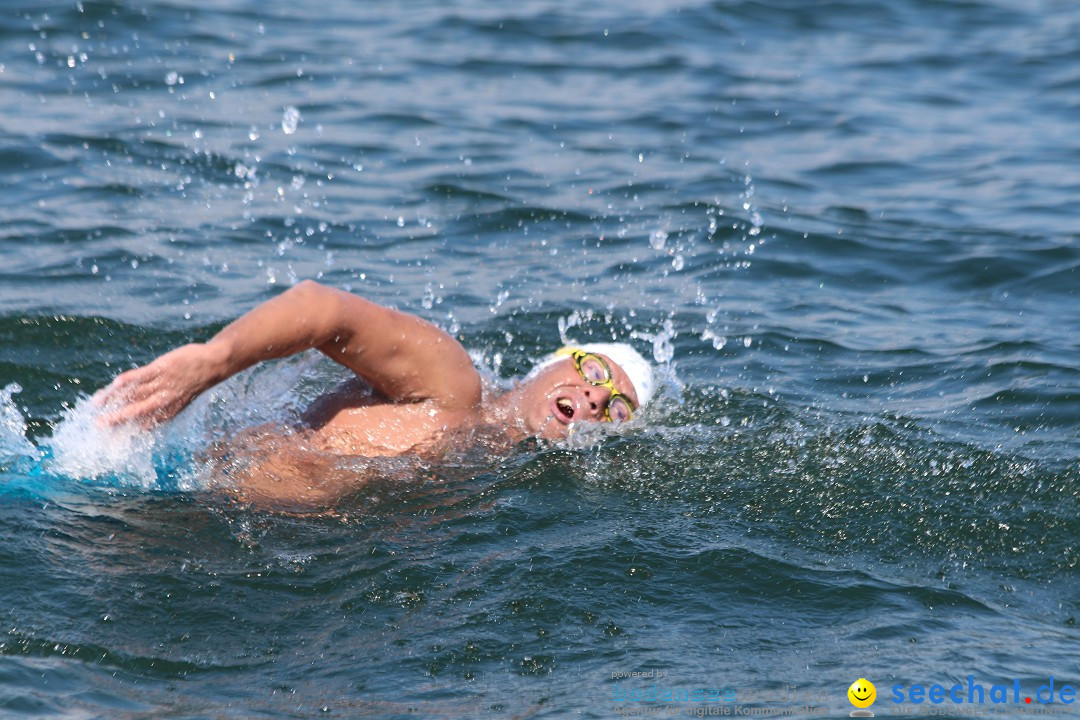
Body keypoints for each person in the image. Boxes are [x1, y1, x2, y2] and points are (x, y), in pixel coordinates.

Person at [93, 280, 655, 507]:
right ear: (552, 364)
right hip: (163, 504)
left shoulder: (496, 471)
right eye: (593, 371)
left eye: (617, 407)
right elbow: (324, 309)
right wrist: (208, 364)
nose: (596, 398)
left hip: (253, 558)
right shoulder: (454, 385)